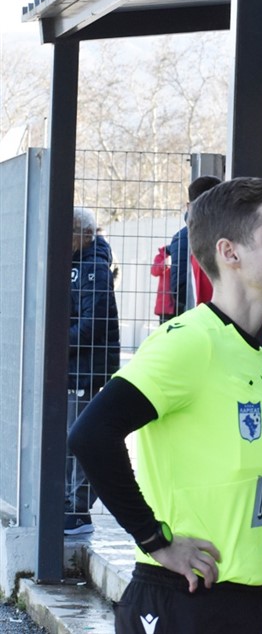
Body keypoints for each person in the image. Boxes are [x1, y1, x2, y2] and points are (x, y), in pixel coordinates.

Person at [68, 179, 262, 633]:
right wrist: (155, 540)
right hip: (183, 603)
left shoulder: (260, 360)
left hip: (248, 605)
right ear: (229, 252)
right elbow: (91, 434)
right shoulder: (190, 342)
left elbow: (253, 507)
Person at [65, 207, 121, 536]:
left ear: (84, 234)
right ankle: (68, 503)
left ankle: (79, 509)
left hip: (87, 368)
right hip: (73, 366)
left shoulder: (94, 269)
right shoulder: (74, 263)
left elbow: (92, 324)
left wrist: (56, 342)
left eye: (69, 230)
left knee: (80, 437)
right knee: (67, 436)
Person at [167, 175, 220, 315]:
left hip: (198, 313)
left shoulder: (181, 237)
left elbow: (179, 288)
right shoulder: (233, 233)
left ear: (189, 206)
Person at [150, 245, 176, 325]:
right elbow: (154, 271)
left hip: (178, 302)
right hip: (165, 304)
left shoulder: (180, 254)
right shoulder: (161, 256)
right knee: (164, 328)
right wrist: (164, 264)